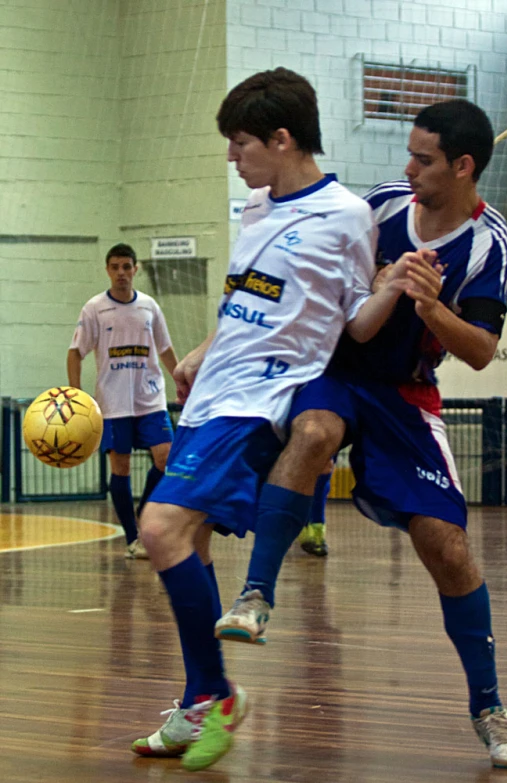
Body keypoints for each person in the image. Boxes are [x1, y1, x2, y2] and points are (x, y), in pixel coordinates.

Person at [214, 99, 507, 769]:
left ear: (464, 166)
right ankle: (256, 593)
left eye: (423, 158)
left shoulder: (491, 243)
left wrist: (430, 306)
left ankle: (490, 705)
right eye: (409, 153)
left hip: (406, 394)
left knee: (448, 546)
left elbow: (478, 351)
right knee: (316, 429)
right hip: (336, 367)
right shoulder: (376, 209)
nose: (406, 168)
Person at [129, 67, 420, 772]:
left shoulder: (348, 215)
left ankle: (218, 696)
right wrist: (201, 349)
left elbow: (351, 323)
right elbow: (248, 304)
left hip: (260, 399)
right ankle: (199, 699)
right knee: (187, 547)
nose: (233, 158)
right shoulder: (255, 210)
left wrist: (392, 287)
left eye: (241, 143)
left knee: (158, 527)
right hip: (211, 393)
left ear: (282, 138)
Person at [67, 242, 178, 559]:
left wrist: (182, 378)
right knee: (122, 466)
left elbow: (166, 348)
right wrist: (76, 395)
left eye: (126, 267)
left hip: (150, 398)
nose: (121, 273)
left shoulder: (149, 306)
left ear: (135, 269)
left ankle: (145, 520)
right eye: (115, 267)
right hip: (114, 402)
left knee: (166, 457)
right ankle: (133, 538)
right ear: (107, 270)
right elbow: (75, 353)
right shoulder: (94, 308)